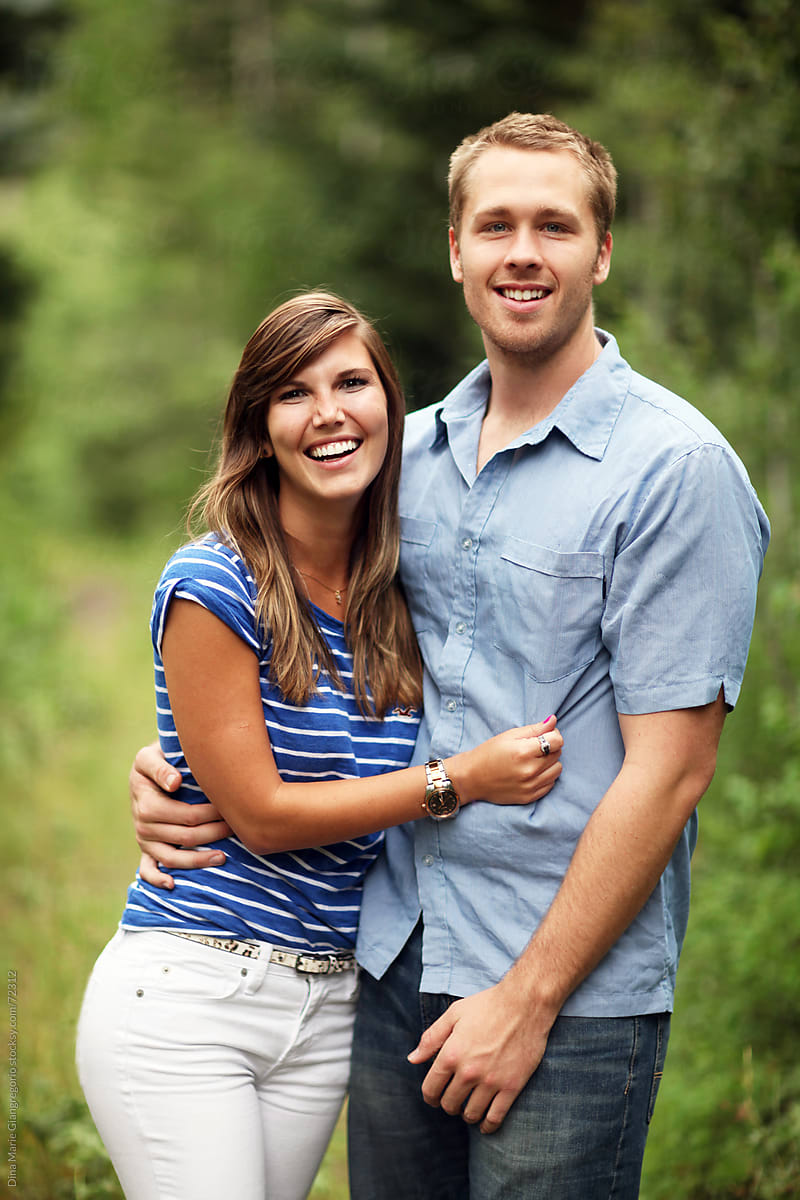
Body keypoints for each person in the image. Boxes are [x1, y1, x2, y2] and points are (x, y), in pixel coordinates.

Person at [129, 114, 769, 1199]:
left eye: (554, 226)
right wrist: (178, 774)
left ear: (600, 252)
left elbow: (672, 770)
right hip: (389, 965)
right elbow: (282, 640)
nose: (522, 251)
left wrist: (528, 999)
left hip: (565, 999)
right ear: (455, 251)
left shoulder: (673, 472)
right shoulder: (401, 455)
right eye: (496, 224)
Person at [76, 289, 565, 1200]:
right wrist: (457, 782)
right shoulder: (214, 583)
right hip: (193, 993)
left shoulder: (399, 592)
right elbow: (260, 814)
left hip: (327, 1005)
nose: (330, 412)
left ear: (391, 406)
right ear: (260, 428)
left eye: (352, 382)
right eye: (295, 393)